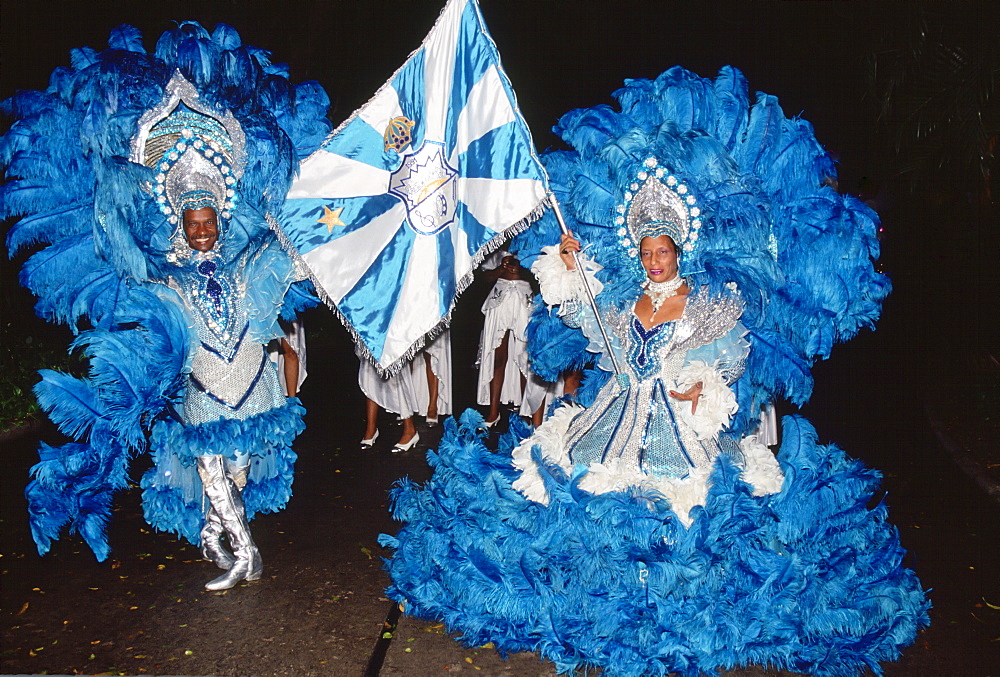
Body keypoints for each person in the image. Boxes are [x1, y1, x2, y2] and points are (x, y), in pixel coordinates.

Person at [379, 65, 927, 676]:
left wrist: (706, 389)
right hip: (614, 415)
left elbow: (729, 358)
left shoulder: (710, 302)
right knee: (577, 491)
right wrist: (568, 263)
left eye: (663, 251)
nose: (655, 260)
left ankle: (666, 604)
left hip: (680, 425)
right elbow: (581, 311)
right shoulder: (622, 301)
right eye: (646, 253)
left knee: (684, 514)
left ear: (679, 251)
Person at [476, 253, 548, 426]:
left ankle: (527, 413)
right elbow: (484, 278)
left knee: (525, 359)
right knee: (497, 358)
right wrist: (502, 268)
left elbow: (543, 277)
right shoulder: (497, 247)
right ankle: (493, 413)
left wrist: (523, 268)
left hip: (526, 300)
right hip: (499, 299)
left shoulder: (531, 244)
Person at [359, 330, 451, 452]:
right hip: (372, 318)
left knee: (396, 366)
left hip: (394, 318)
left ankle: (410, 428)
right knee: (369, 365)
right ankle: (371, 429)